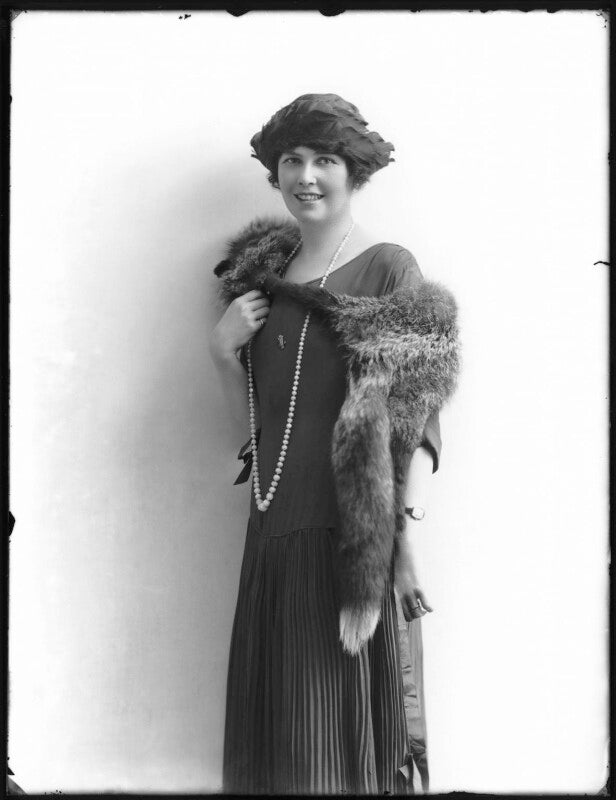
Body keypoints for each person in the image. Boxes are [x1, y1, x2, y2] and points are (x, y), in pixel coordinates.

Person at [209, 94, 460, 795]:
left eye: (325, 160)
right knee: (274, 751)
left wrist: (403, 527)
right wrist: (221, 351)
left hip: (348, 539)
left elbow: (419, 410)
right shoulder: (256, 279)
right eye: (292, 159)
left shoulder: (386, 269)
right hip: (272, 532)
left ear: (355, 173)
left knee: (326, 750)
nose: (307, 176)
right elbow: (252, 435)